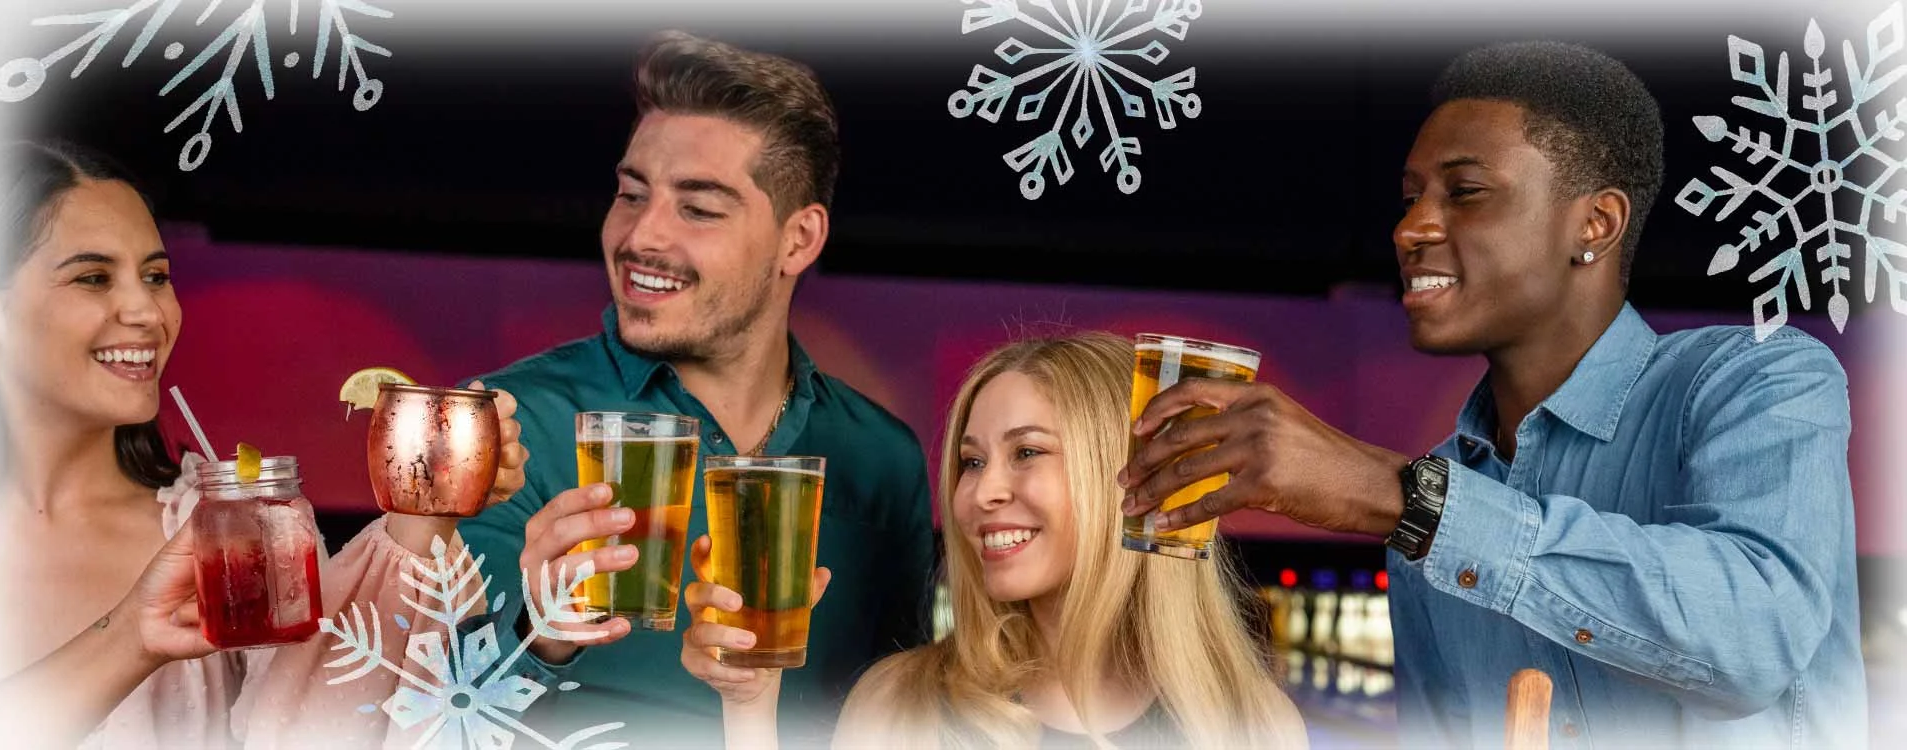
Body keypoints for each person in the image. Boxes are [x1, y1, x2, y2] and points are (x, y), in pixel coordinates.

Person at [1118, 41, 1865, 748]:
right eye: (1409, 199)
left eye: (1466, 193)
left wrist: (1406, 498)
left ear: (1596, 225)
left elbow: (1756, 639)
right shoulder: (1429, 516)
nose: (1411, 228)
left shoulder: (1756, 380)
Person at [458, 31, 934, 747]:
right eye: (630, 194)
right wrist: (541, 631)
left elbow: (903, 712)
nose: (641, 235)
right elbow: (421, 705)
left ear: (798, 240)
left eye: (699, 208)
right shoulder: (510, 424)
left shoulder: (882, 459)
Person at [0, 139, 531, 748]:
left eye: (156, 276)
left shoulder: (221, 522)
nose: (147, 310)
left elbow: (317, 719)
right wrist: (131, 636)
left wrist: (425, 515)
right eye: (93, 277)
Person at [680, 332, 1307, 749]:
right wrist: (752, 709)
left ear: (1131, 474)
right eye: (972, 462)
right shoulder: (899, 706)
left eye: (1027, 452)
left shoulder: (1256, 727)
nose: (980, 495)